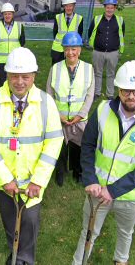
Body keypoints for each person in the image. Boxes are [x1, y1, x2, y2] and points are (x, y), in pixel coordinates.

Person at [71, 61, 135, 265]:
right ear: (118, 89)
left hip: (131, 195)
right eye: (126, 91)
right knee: (88, 232)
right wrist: (89, 178)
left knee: (125, 232)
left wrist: (113, 190)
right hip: (97, 189)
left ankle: (121, 260)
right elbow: (87, 145)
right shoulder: (102, 110)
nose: (131, 96)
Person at [0, 47, 64, 264]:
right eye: (15, 76)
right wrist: (5, 179)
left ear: (34, 76)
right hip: (3, 183)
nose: (20, 82)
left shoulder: (46, 103)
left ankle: (24, 259)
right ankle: (16, 255)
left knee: (30, 224)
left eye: (25, 76)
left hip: (32, 183)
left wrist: (39, 180)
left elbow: (54, 141)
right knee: (10, 222)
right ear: (7, 75)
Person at [46, 32, 94, 186]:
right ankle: (60, 172)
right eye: (67, 49)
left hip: (79, 119)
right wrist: (58, 115)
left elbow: (90, 95)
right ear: (63, 50)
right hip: (59, 119)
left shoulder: (88, 68)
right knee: (59, 147)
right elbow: (49, 93)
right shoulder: (55, 68)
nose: (70, 52)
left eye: (74, 49)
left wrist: (80, 115)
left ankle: (78, 172)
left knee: (79, 147)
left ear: (79, 50)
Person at [88, 0, 125, 101]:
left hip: (113, 52)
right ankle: (97, 92)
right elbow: (90, 32)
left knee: (111, 73)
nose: (109, 10)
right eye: (107, 7)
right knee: (97, 72)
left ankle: (110, 94)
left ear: (115, 8)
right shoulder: (96, 19)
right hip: (98, 52)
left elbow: (122, 34)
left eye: (112, 8)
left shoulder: (120, 20)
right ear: (104, 8)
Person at [0, 2, 26, 86]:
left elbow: (22, 41)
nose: (7, 16)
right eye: (5, 14)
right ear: (3, 15)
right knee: (2, 81)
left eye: (9, 14)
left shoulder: (19, 26)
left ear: (13, 14)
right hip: (1, 60)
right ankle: (3, 97)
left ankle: (13, 95)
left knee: (15, 79)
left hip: (15, 59)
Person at [51, 0, 84, 65]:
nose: (68, 8)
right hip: (58, 49)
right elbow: (55, 32)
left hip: (71, 50)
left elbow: (79, 35)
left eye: (70, 6)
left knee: (69, 70)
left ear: (73, 6)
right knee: (56, 70)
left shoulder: (79, 18)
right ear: (64, 6)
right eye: (66, 6)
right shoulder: (58, 17)